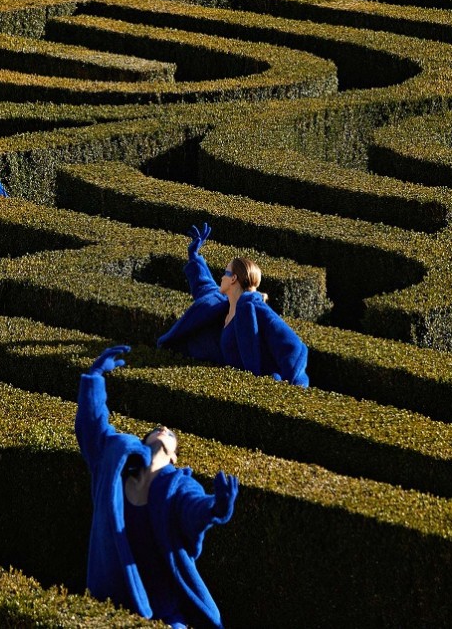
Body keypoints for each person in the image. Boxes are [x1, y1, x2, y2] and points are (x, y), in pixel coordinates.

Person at [76, 345, 239, 628]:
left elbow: (193, 508)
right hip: (113, 600)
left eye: (171, 434)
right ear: (144, 441)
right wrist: (95, 378)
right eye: (157, 429)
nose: (163, 428)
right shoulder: (117, 462)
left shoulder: (178, 484)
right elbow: (93, 429)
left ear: (174, 456)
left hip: (163, 610)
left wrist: (215, 507)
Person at [157, 224, 309, 387]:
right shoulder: (223, 304)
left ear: (233, 279)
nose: (221, 277)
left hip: (255, 390)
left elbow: (294, 347)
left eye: (225, 273)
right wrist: (194, 257)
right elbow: (205, 286)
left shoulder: (254, 307)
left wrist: (289, 387)